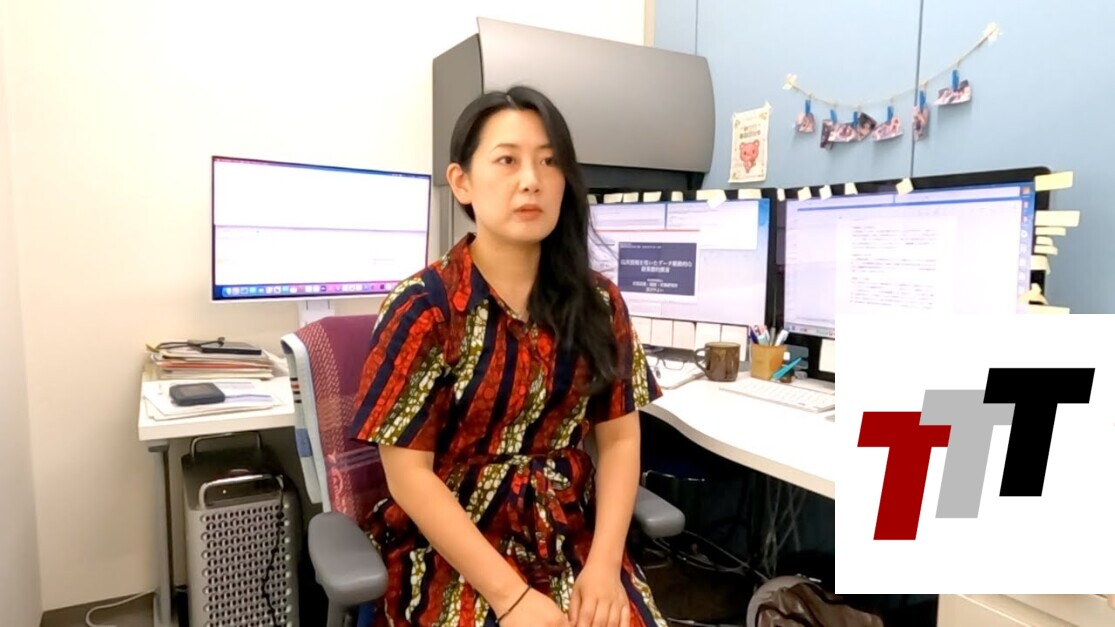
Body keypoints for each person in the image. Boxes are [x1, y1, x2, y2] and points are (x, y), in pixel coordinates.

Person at [350, 85, 668, 627]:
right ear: (462, 182)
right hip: (454, 546)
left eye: (549, 161)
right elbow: (408, 476)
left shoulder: (598, 303)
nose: (531, 180)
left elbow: (619, 439)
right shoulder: (424, 308)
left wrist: (603, 566)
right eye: (507, 160)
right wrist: (511, 597)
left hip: (573, 535)